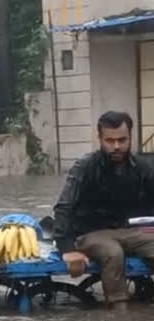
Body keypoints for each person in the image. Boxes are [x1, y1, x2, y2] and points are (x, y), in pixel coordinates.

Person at [54, 111, 154, 310]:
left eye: (122, 140)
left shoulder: (142, 168)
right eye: (110, 140)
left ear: (130, 137)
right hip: (89, 234)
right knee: (112, 252)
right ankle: (119, 315)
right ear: (99, 138)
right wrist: (67, 249)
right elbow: (64, 206)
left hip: (128, 232)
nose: (116, 146)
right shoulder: (85, 167)